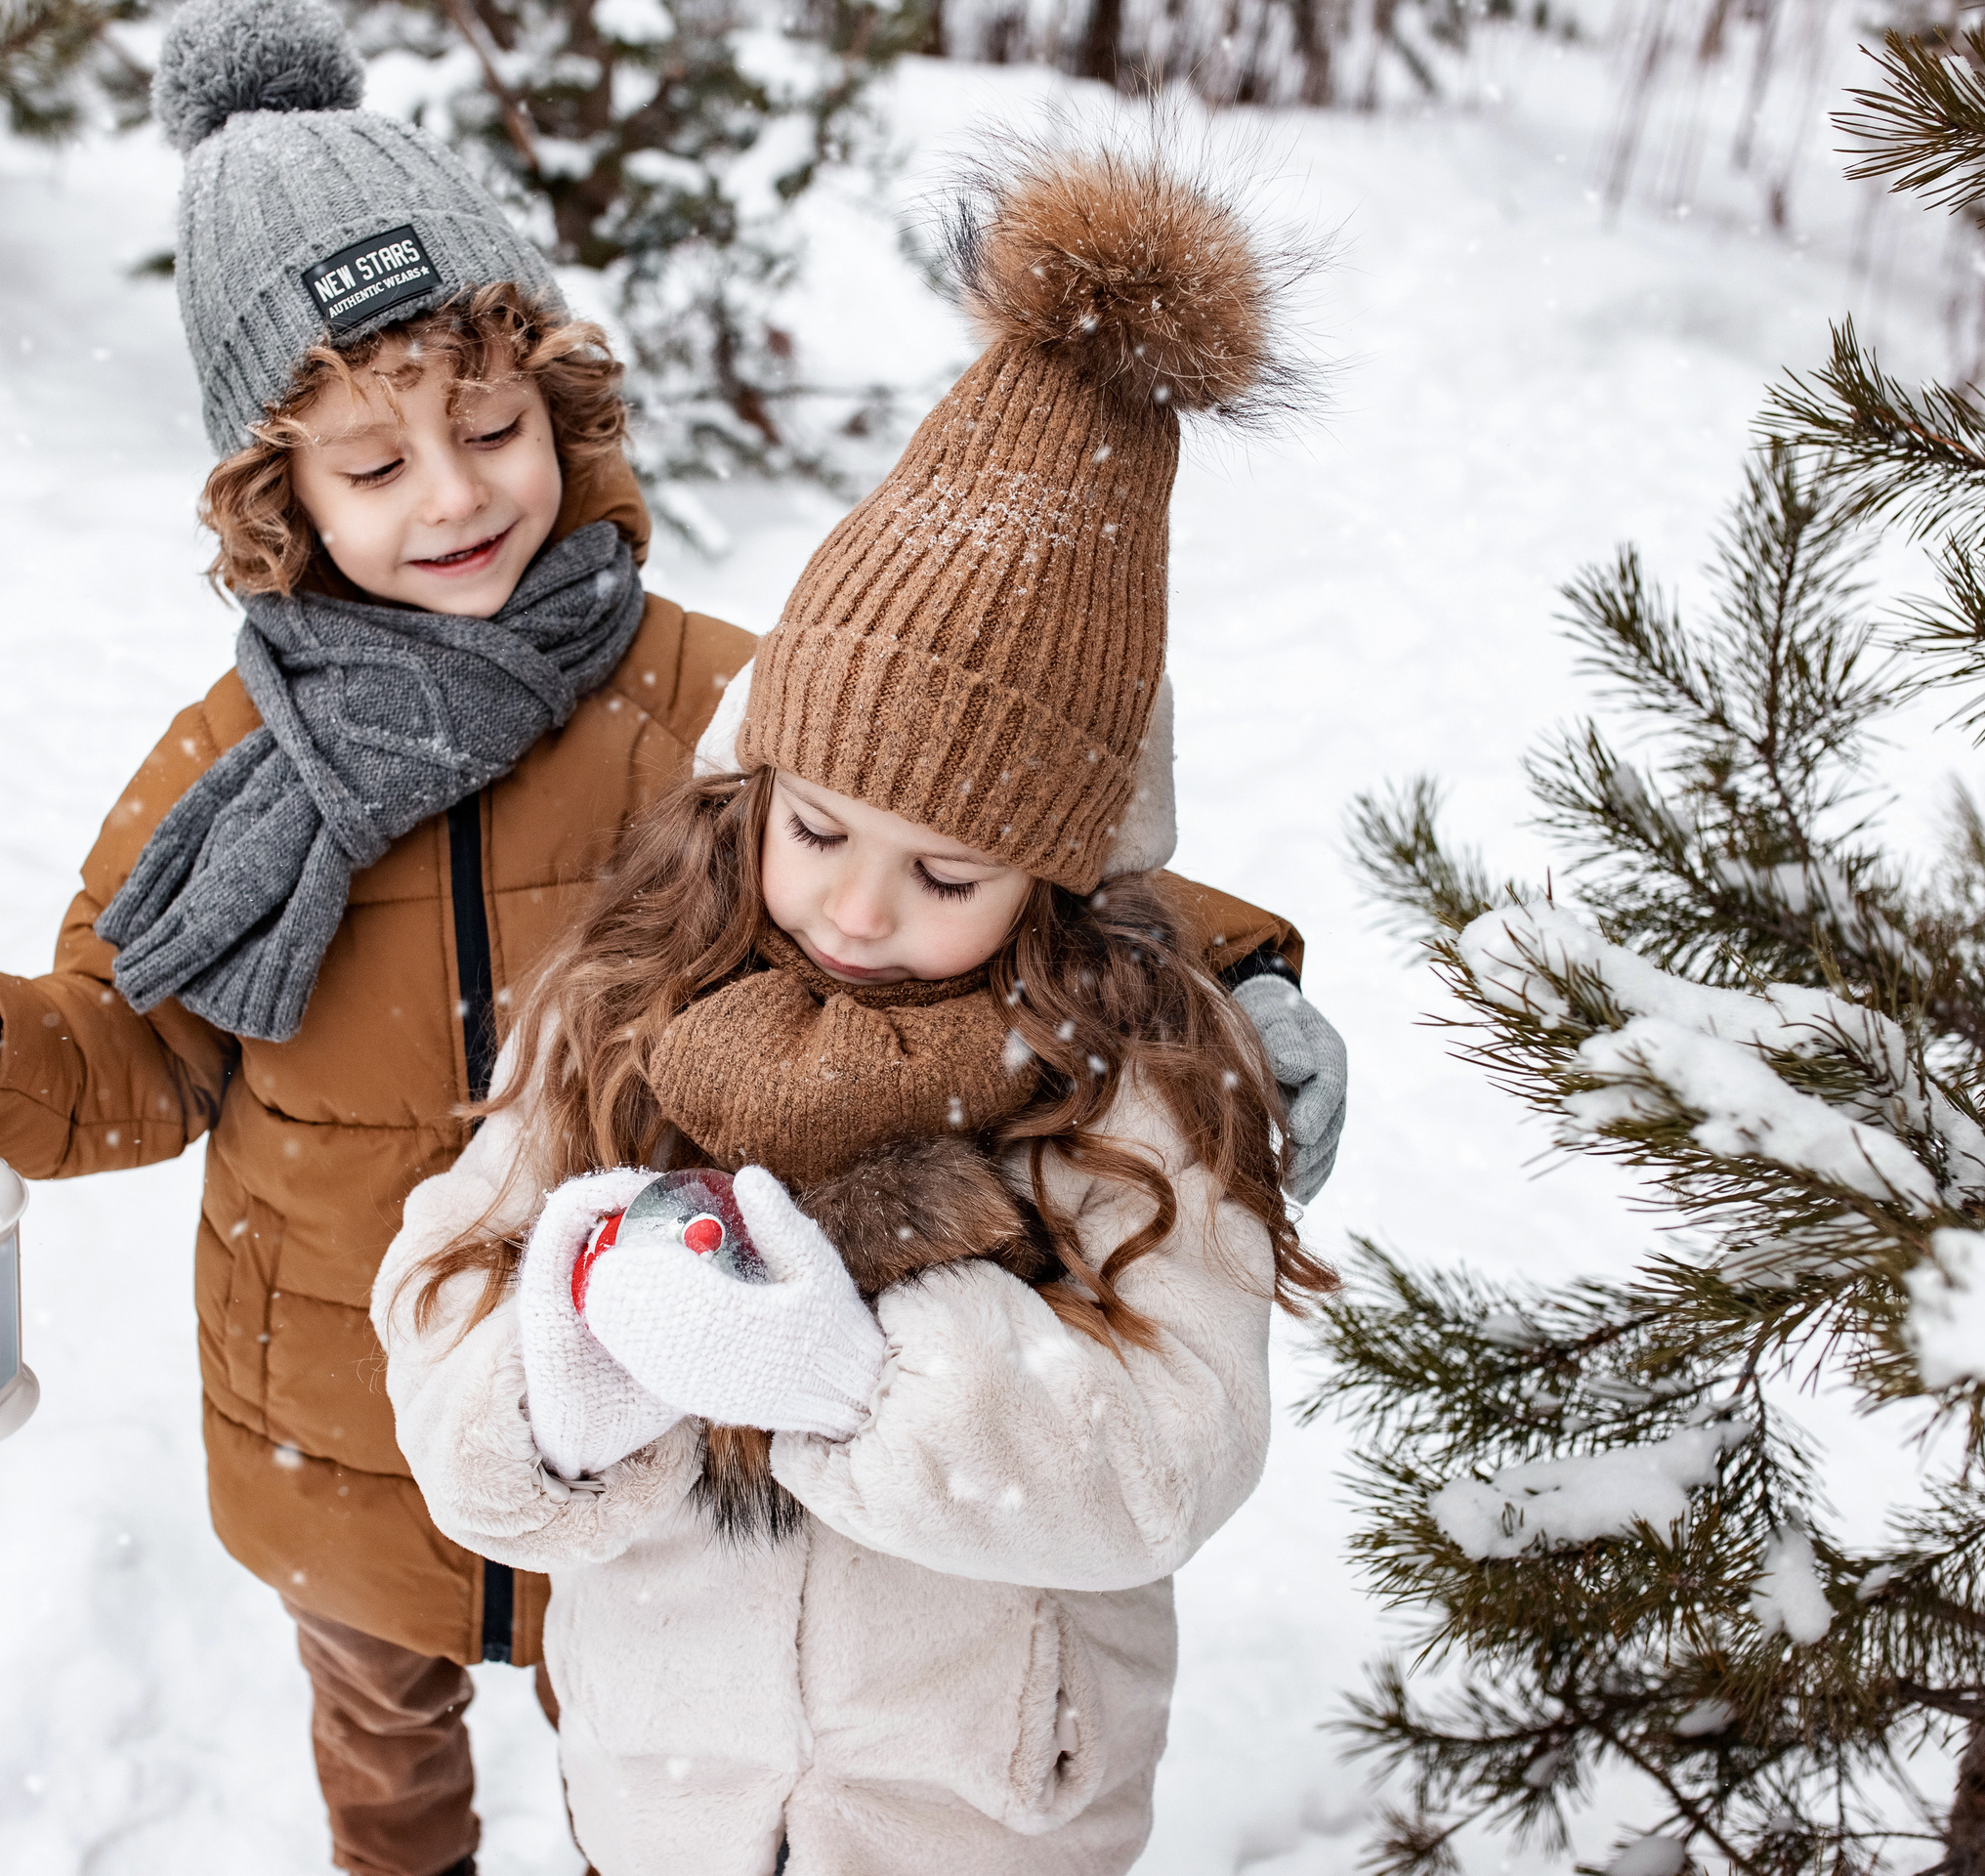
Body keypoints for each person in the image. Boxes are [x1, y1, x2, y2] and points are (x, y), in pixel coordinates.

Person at [0, 2, 1347, 1870]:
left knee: (663, 1752)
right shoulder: (229, 772)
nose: (453, 496)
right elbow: (133, 1030)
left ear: (558, 409)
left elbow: (980, 816)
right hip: (355, 1405)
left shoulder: (703, 696)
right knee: (386, 1758)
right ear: (277, 502)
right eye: (370, 465)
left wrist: (1233, 984)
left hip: (680, 1412)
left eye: (490, 427)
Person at [375, 140, 1336, 1876]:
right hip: (664, 1796)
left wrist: (860, 1377)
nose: (862, 910)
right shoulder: (624, 994)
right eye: (820, 831)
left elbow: (1173, 1460)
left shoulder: (1134, 1080)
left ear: (1054, 879)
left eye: (951, 878)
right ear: (760, 783)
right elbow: (441, 1286)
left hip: (986, 1819)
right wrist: (563, 1375)